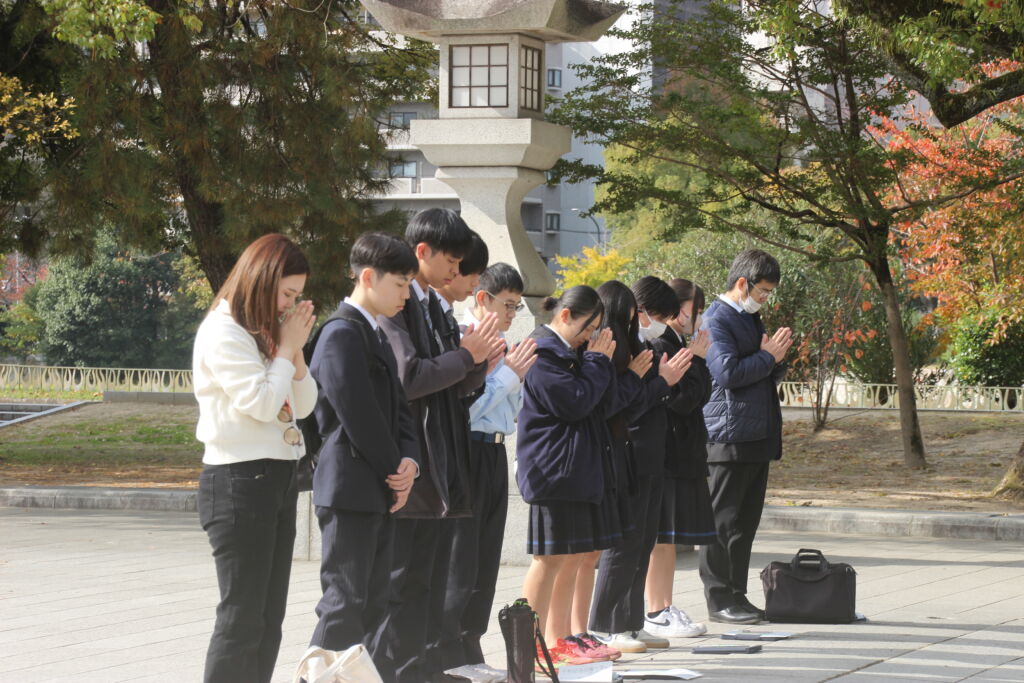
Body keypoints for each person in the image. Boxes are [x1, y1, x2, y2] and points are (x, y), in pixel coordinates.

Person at [375, 209, 503, 683]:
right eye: (451, 261)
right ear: (422, 251)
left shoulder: (430, 305)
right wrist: (467, 356)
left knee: (426, 581)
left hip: (440, 459)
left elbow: (450, 385)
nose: (455, 272)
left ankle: (426, 669)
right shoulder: (401, 305)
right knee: (403, 582)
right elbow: (410, 377)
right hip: (413, 462)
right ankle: (399, 671)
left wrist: (477, 363)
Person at [193, 233, 317, 683]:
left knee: (268, 617)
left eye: (297, 297)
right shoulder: (224, 330)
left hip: (276, 477)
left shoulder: (264, 332)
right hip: (237, 480)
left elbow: (305, 404)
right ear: (262, 280)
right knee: (241, 617)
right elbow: (262, 404)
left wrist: (293, 351)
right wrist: (285, 348)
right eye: (287, 294)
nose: (290, 305)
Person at [307, 232, 421, 671]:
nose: (406, 295)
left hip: (376, 484)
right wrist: (395, 469)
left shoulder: (372, 332)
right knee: (344, 601)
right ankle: (316, 675)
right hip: (349, 487)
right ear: (368, 277)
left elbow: (400, 411)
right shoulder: (340, 334)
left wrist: (409, 463)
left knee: (373, 602)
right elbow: (357, 415)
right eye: (400, 283)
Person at [436, 262, 538, 668]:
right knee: (461, 556)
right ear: (482, 298)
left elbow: (509, 412)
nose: (512, 314)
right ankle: (449, 649)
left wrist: (513, 377)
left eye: (517, 306)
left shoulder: (503, 345)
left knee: (486, 556)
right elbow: (466, 410)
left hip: (495, 452)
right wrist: (506, 377)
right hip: (467, 452)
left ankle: (471, 643)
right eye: (508, 304)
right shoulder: (463, 339)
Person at [517, 286, 621, 667]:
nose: (589, 337)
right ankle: (526, 648)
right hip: (552, 470)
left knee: (568, 557)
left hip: (574, 469)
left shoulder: (573, 354)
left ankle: (557, 640)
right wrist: (596, 362)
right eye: (587, 328)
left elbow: (601, 404)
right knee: (548, 560)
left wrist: (599, 363)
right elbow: (574, 403)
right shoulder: (541, 352)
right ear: (565, 316)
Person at [588, 280, 690, 654]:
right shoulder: (610, 347)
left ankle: (631, 621)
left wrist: (662, 381)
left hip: (650, 453)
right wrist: (661, 382)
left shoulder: (636, 344)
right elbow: (625, 404)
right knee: (624, 543)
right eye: (635, 315)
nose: (640, 322)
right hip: (628, 452)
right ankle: (606, 625)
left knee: (643, 541)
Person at [699, 249, 793, 625]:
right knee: (721, 524)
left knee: (744, 524)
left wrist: (776, 359)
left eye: (769, 292)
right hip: (727, 437)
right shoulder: (716, 319)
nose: (765, 298)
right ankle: (719, 599)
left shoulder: (749, 318)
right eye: (763, 291)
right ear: (742, 283)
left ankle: (737, 594)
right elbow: (727, 374)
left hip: (755, 433)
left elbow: (761, 370)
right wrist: (768, 357)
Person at [640, 277, 714, 639]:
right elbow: (683, 399)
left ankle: (662, 607)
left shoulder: (675, 342)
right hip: (666, 452)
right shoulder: (661, 344)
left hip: (679, 451)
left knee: (667, 539)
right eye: (692, 310)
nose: (695, 318)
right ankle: (656, 610)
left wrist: (697, 360)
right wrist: (697, 360)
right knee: (662, 538)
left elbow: (697, 395)